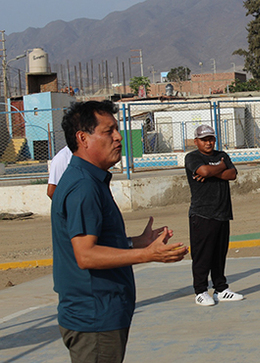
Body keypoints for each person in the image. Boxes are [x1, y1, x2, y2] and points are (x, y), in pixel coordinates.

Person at [51, 100, 188, 363]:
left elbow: (97, 242)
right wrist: (147, 254)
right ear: (83, 138)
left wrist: (137, 242)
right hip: (95, 319)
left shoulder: (91, 180)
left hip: (102, 314)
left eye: (117, 129)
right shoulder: (83, 187)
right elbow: (85, 255)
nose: (118, 137)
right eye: (108, 131)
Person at [185, 124, 244, 305]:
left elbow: (232, 174)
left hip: (222, 212)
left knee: (219, 253)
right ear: (196, 142)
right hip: (202, 213)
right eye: (204, 140)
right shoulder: (192, 157)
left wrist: (213, 171)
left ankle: (221, 288)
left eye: (211, 139)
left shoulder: (222, 156)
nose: (208, 143)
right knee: (202, 255)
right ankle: (201, 290)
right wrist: (219, 168)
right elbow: (202, 171)